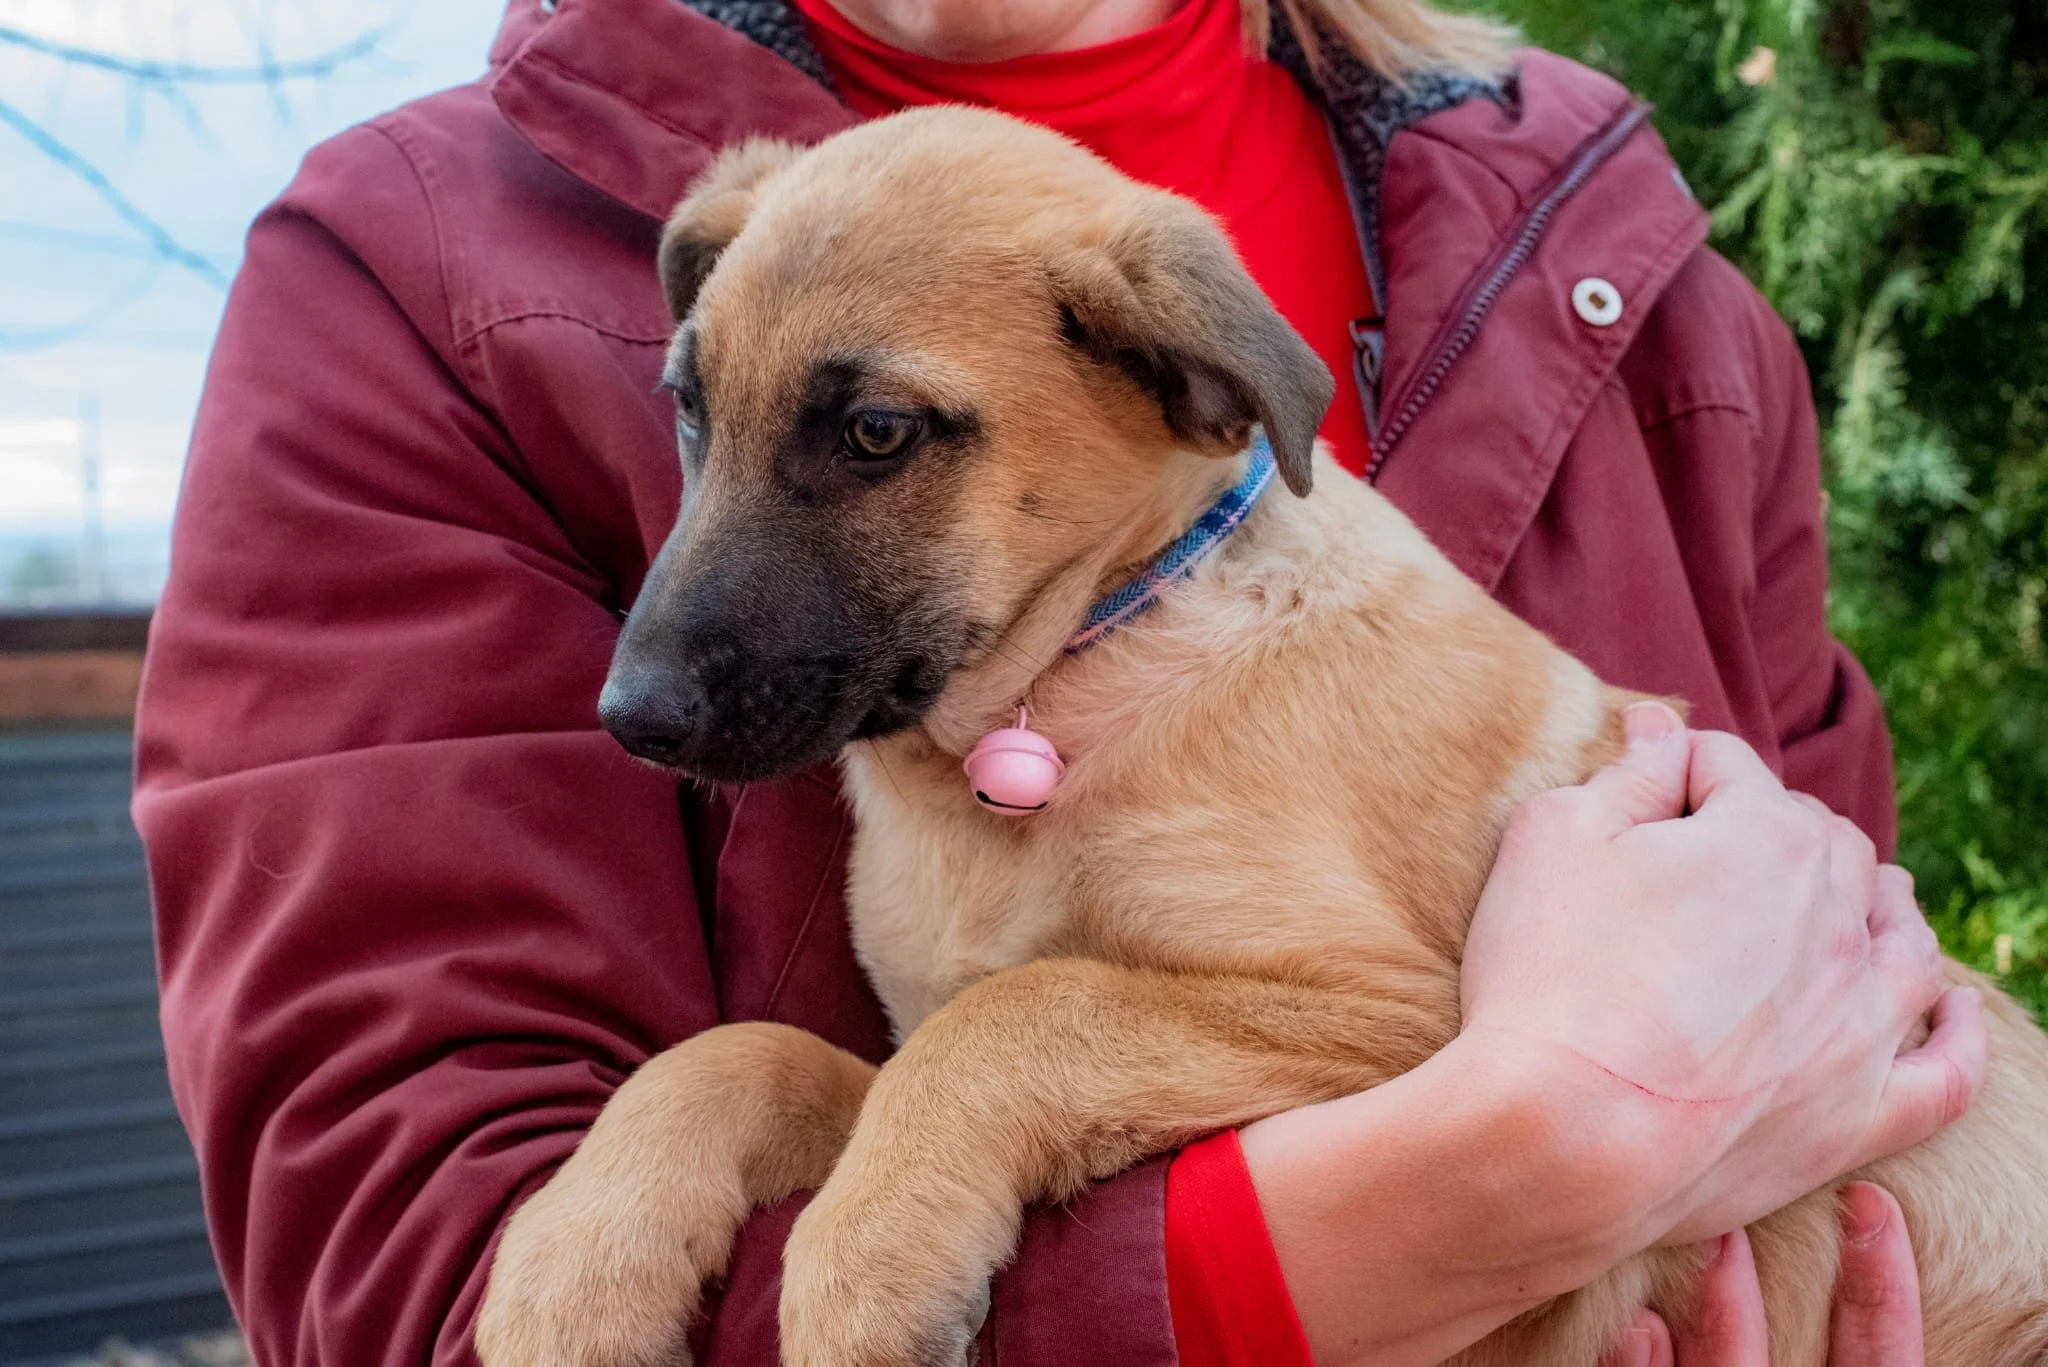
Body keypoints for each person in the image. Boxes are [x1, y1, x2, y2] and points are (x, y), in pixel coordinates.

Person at [130, 0, 1987, 1361]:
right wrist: (1487, 1188)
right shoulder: (411, 267)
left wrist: (998, 1082)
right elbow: (401, 1270)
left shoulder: (1635, 270)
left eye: (874, 435)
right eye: (702, 412)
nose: (661, 674)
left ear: (1206, 392)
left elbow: (1821, 981)